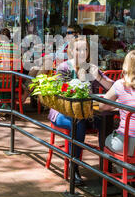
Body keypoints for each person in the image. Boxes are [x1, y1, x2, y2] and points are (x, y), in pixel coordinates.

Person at [48, 37, 115, 185]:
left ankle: (107, 168)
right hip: (62, 112)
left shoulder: (91, 68)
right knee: (78, 123)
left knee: (106, 121)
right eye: (78, 49)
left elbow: (112, 88)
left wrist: (98, 76)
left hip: (88, 112)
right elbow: (59, 92)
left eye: (85, 50)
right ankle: (74, 166)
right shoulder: (64, 68)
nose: (82, 53)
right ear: (71, 51)